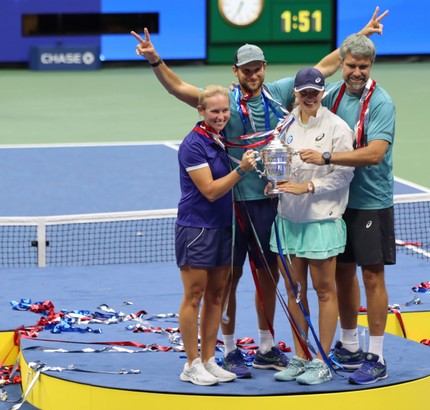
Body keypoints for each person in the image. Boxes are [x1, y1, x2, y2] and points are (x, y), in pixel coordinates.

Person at [130, 8, 387, 379]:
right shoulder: (222, 102)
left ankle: (266, 348)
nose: (252, 74)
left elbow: (324, 69)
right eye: (246, 69)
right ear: (236, 72)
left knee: (271, 279)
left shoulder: (281, 92)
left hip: (272, 203)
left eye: (257, 68)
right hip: (233, 205)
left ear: (264, 68)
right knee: (228, 280)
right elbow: (178, 89)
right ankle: (231, 350)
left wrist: (360, 37)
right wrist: (155, 60)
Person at [300, 33, 396, 385]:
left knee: (372, 276)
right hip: (337, 201)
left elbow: (374, 154)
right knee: (343, 272)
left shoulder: (382, 103)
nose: (357, 72)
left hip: (371, 201)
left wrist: (327, 157)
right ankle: (350, 345)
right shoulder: (335, 95)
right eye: (352, 65)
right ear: (342, 64)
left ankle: (377, 355)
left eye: (363, 66)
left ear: (371, 66)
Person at [267, 68, 354, 385]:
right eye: (303, 91)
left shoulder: (337, 128)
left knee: (324, 291)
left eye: (313, 92)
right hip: (288, 219)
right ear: (296, 93)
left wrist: (309, 187)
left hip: (321, 220)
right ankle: (301, 356)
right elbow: (276, 162)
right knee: (293, 291)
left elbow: (344, 175)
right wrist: (273, 183)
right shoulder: (286, 125)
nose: (308, 96)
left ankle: (321, 360)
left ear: (322, 93)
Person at [175, 85, 257, 385]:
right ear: (201, 111)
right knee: (194, 295)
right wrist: (242, 170)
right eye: (214, 111)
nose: (221, 116)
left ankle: (209, 359)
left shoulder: (220, 140)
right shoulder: (193, 145)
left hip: (224, 227)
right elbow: (209, 191)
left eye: (225, 111)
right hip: (197, 229)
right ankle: (191, 363)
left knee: (217, 295)